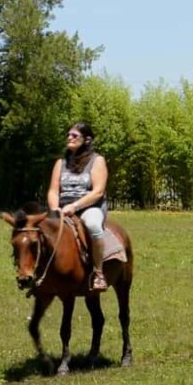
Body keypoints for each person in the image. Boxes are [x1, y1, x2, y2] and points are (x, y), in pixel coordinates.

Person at [47, 122, 109, 291]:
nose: (69, 138)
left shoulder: (97, 161)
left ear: (87, 140)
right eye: (68, 135)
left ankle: (98, 274)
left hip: (89, 207)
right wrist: (55, 209)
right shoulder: (61, 163)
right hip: (62, 208)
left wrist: (74, 206)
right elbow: (53, 191)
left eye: (74, 136)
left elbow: (98, 192)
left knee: (94, 226)